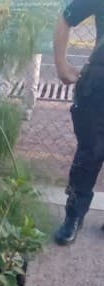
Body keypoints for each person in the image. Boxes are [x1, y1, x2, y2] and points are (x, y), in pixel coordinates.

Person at [53, 0, 104, 245]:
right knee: (88, 156)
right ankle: (73, 217)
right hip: (98, 88)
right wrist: (61, 64)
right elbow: (66, 17)